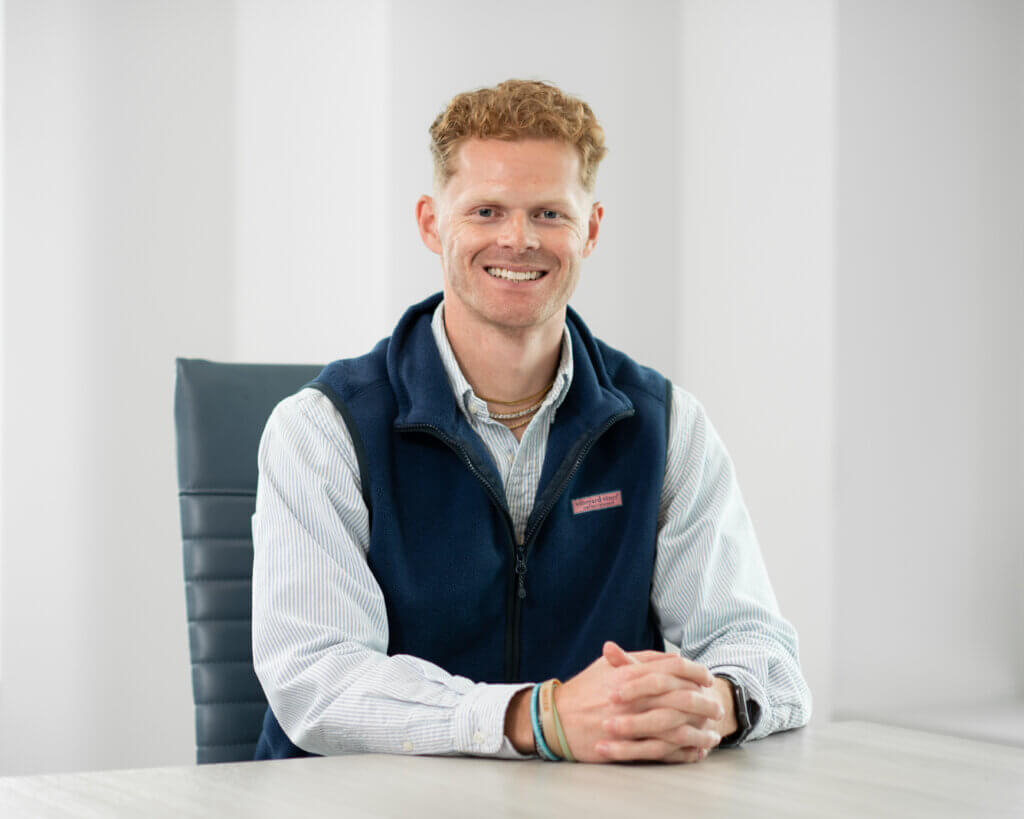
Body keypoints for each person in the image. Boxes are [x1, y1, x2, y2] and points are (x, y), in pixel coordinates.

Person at [251, 79, 811, 764]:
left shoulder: (665, 427)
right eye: (486, 210)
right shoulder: (321, 430)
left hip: (583, 803)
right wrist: (534, 717)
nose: (518, 240)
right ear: (431, 223)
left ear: (591, 229)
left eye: (549, 213)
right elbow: (318, 678)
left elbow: (763, 654)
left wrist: (711, 701)